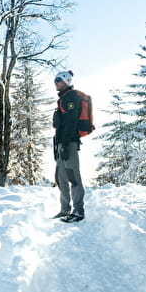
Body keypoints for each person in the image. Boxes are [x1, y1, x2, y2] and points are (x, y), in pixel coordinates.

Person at [52, 70, 85, 222]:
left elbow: (72, 122)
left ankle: (78, 211)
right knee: (61, 177)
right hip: (60, 143)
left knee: (72, 176)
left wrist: (65, 144)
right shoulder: (63, 98)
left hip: (69, 143)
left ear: (67, 81)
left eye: (58, 79)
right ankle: (65, 209)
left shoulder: (71, 97)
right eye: (55, 79)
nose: (56, 82)